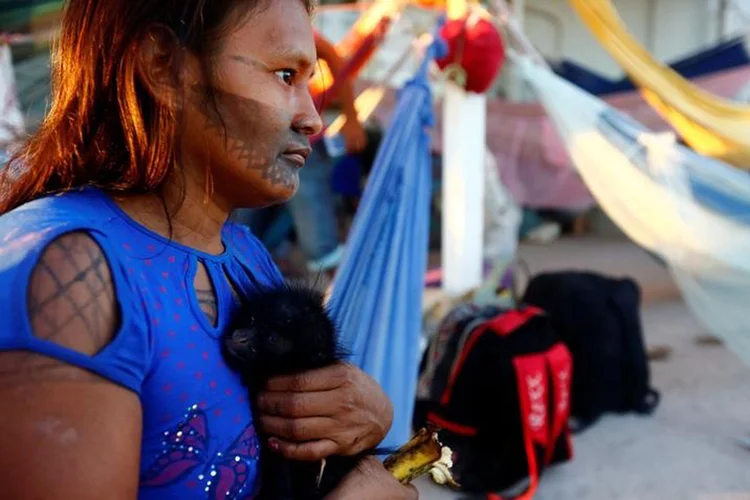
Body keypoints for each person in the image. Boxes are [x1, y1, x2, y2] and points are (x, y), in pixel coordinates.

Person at [0, 1, 416, 499]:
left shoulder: (245, 257)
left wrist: (365, 414)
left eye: (310, 81)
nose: (311, 118)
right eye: (285, 75)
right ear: (163, 67)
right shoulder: (69, 274)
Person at [235, 31, 368, 276]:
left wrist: (351, 117)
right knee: (245, 221)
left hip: (296, 141)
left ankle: (341, 297)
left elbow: (332, 57)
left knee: (316, 228)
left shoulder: (281, 18)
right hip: (253, 145)